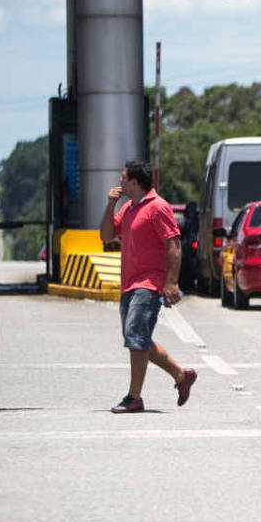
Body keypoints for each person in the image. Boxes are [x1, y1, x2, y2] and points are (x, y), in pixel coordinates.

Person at [99, 159, 197, 414]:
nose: (119, 182)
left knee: (136, 338)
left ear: (134, 182)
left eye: (122, 178)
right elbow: (107, 236)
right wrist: (111, 204)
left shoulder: (158, 207)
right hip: (129, 283)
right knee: (138, 339)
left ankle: (134, 397)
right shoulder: (130, 208)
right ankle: (181, 375)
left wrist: (171, 282)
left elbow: (174, 245)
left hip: (149, 284)